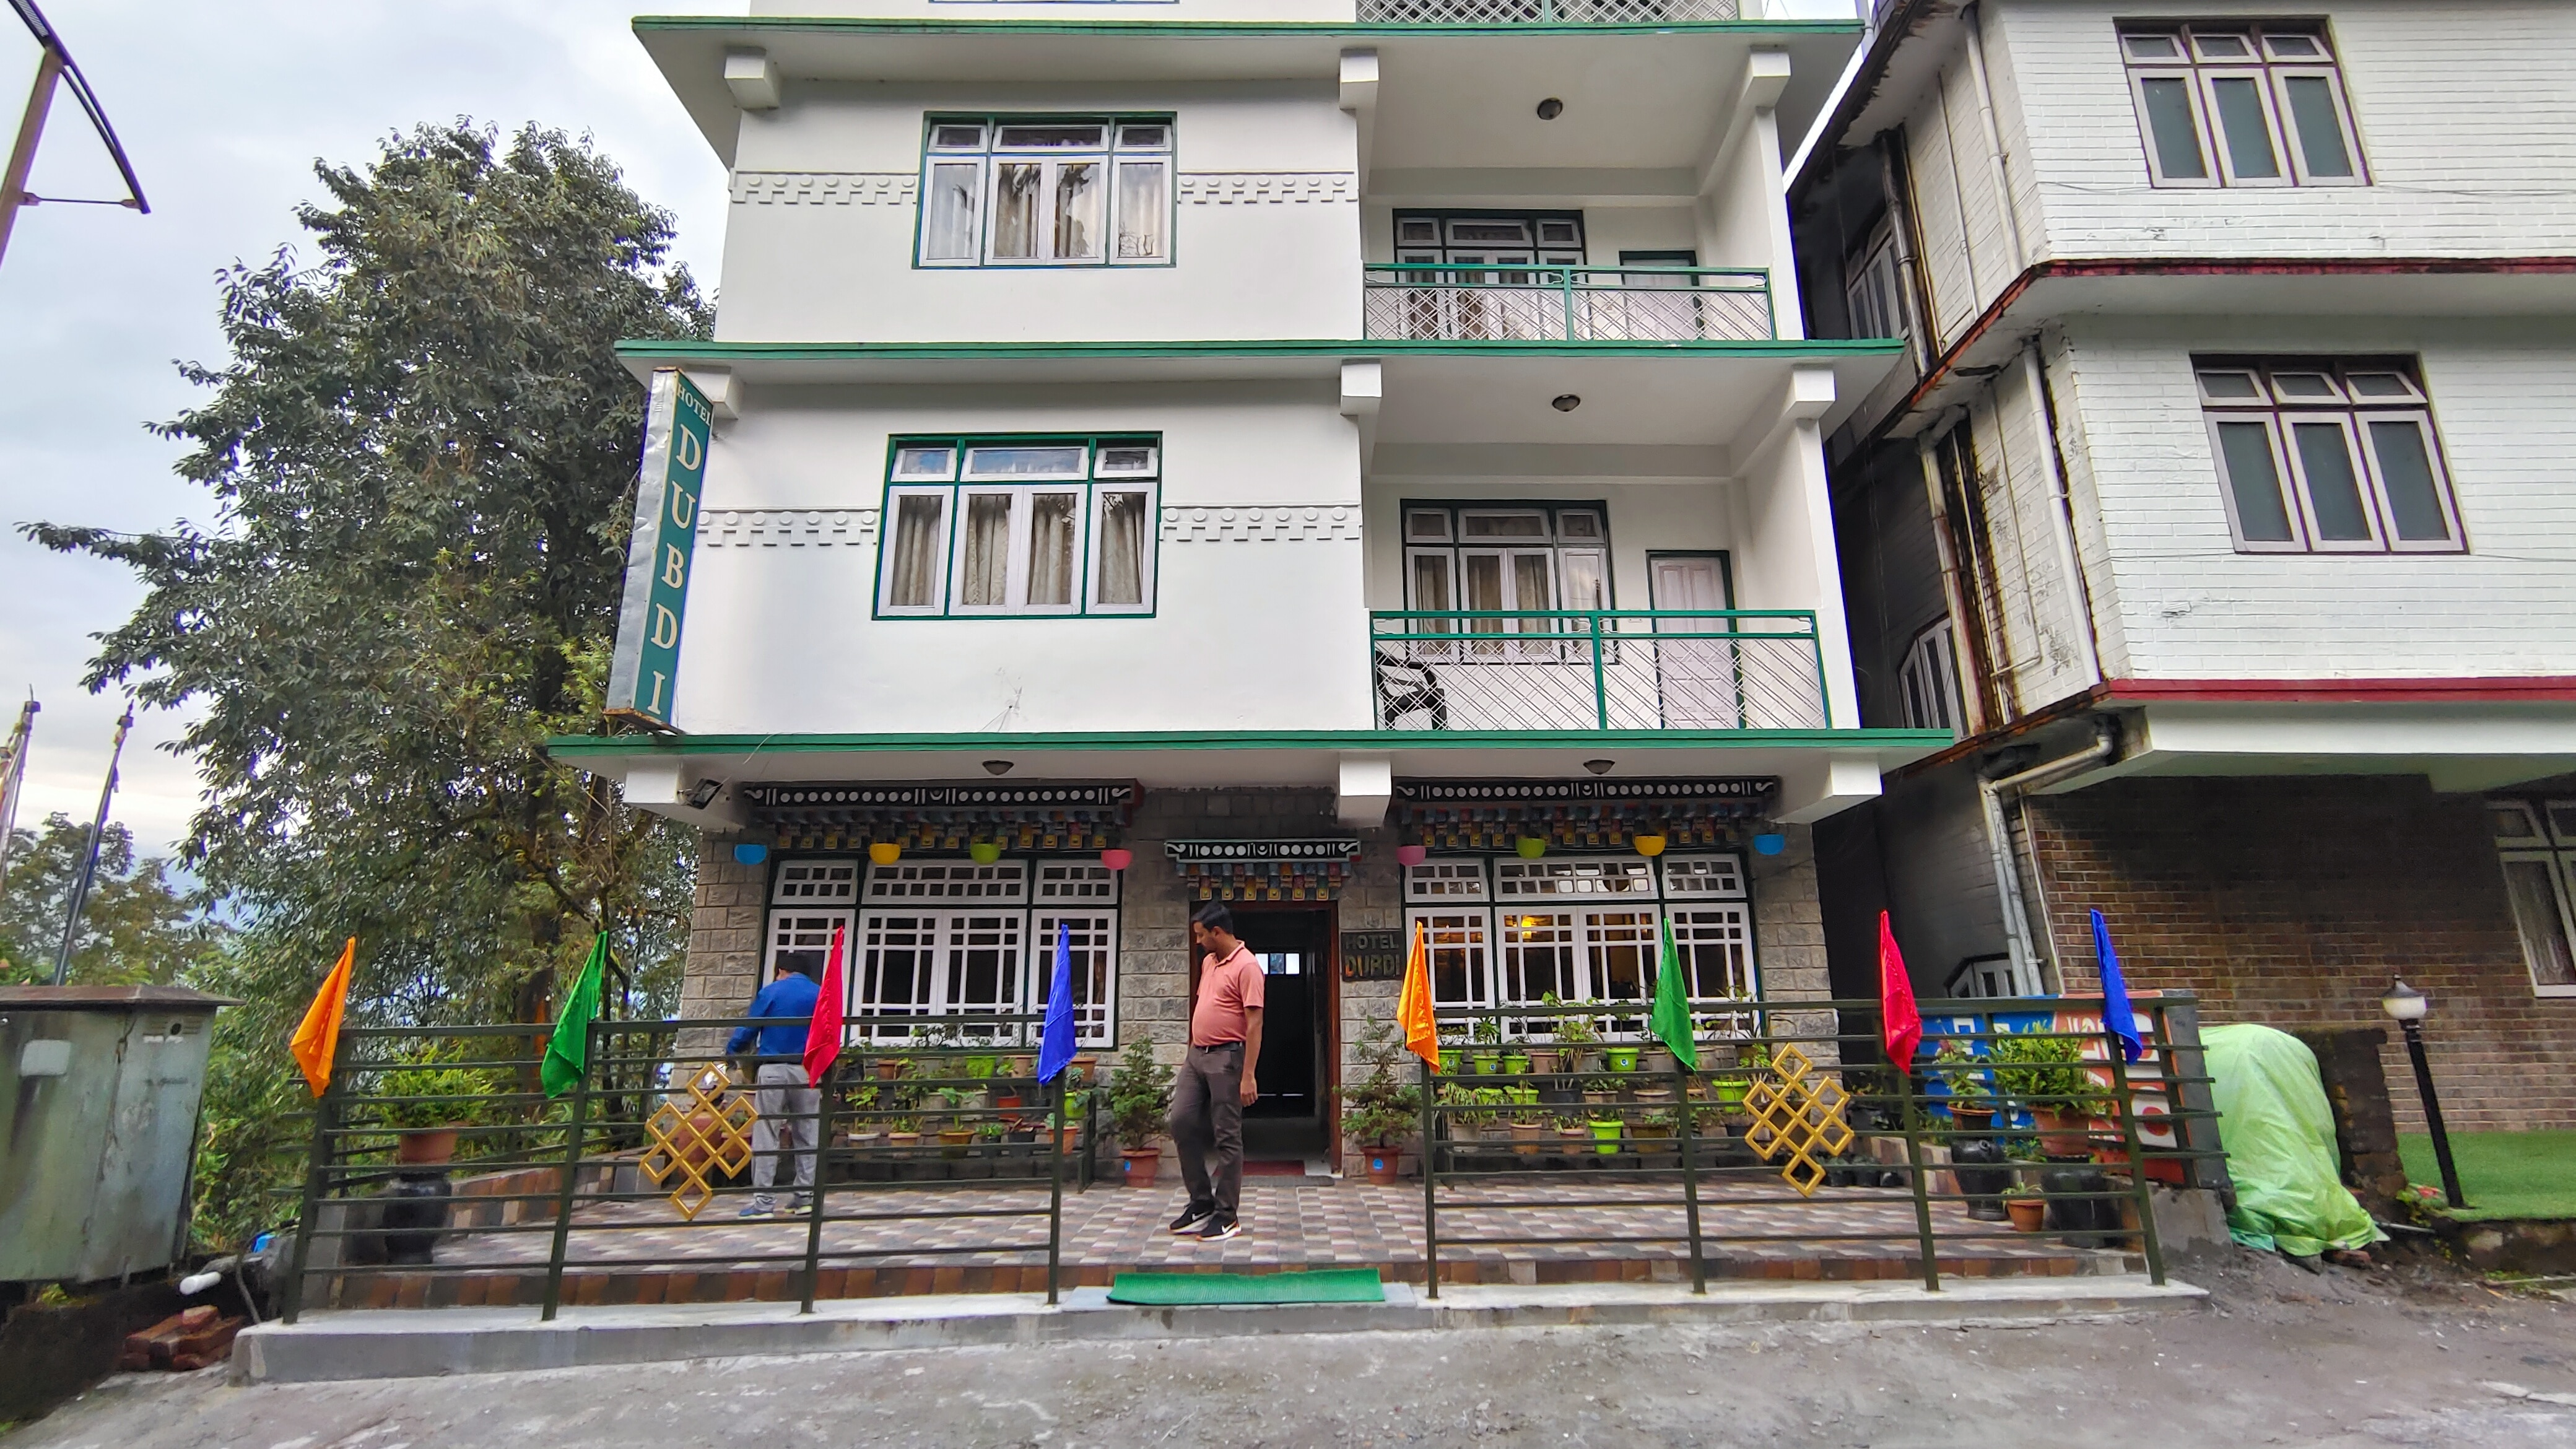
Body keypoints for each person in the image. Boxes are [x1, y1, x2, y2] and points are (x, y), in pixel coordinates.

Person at [1168, 901, 1264, 1242]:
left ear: (1218, 932)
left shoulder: (1248, 966)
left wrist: (1248, 1075)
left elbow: (1255, 1024)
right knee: (1180, 1121)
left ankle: (1226, 1216)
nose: (1198, 941)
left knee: (1227, 1136)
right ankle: (1200, 1201)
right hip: (1196, 1057)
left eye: (1201, 935)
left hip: (1227, 1058)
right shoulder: (1209, 962)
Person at [728, 958, 822, 1218]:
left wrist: (733, 1050)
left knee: (767, 1132)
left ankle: (764, 1203)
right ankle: (805, 1198)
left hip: (773, 1068)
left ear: (781, 971)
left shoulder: (771, 991)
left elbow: (749, 1028)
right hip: (806, 1070)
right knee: (807, 1133)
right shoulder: (819, 993)